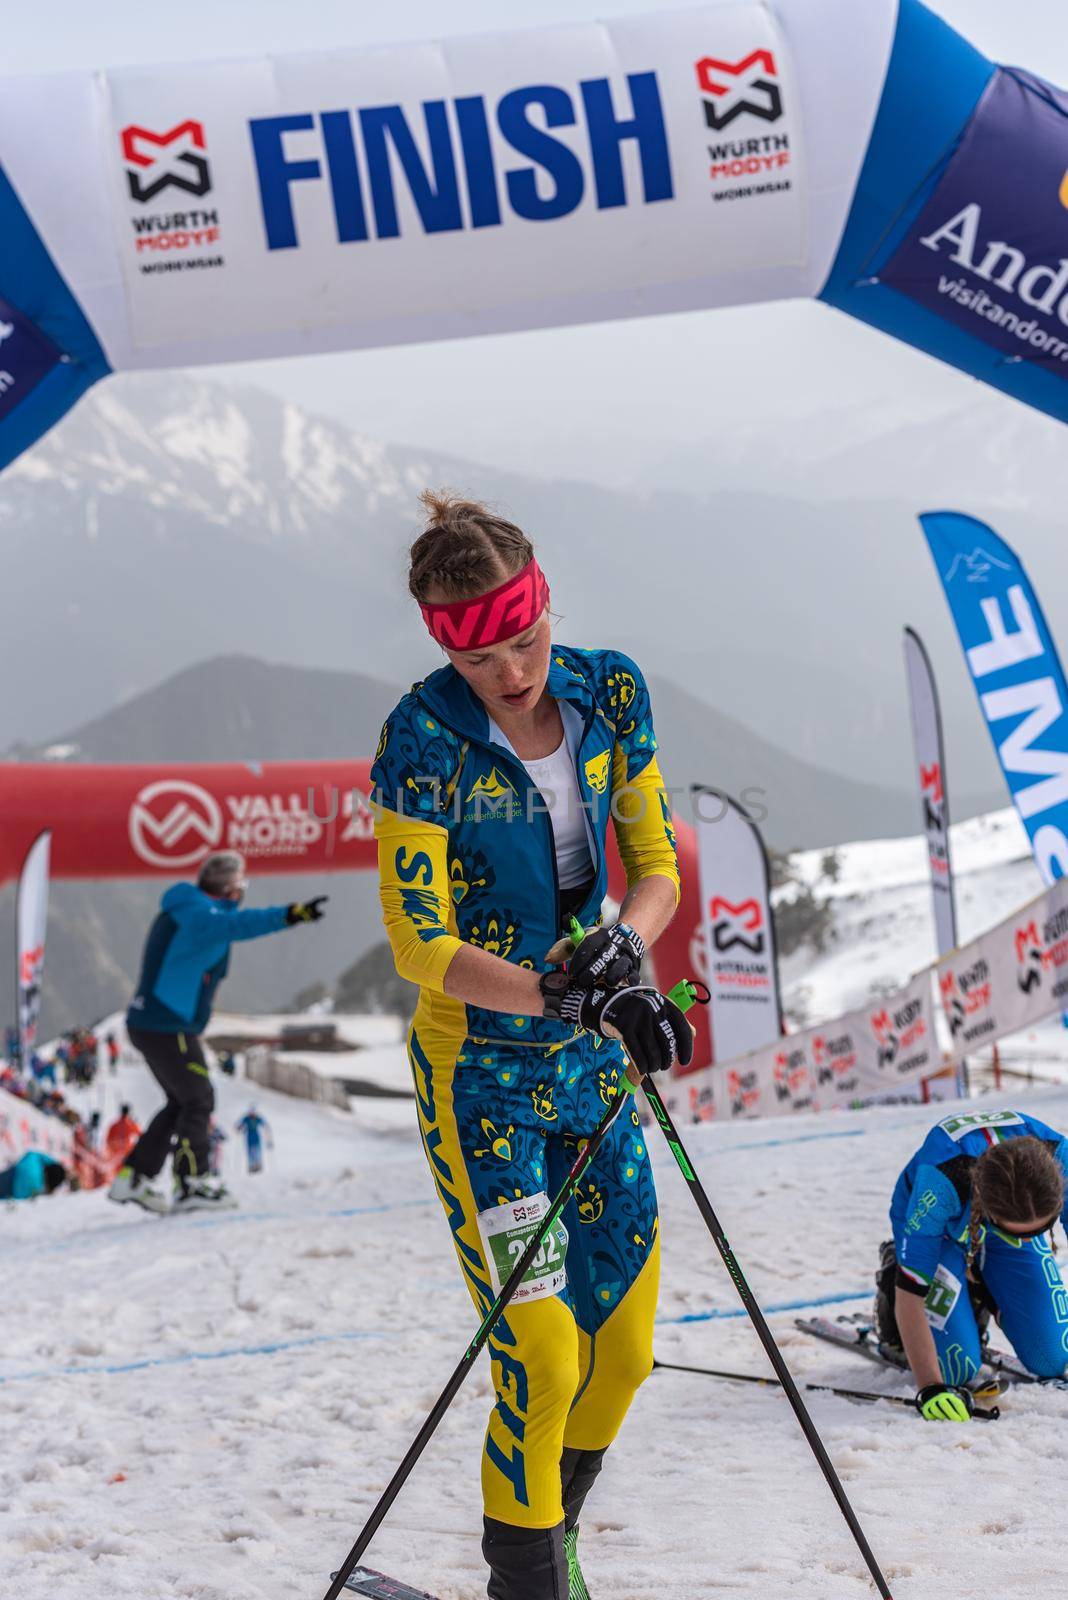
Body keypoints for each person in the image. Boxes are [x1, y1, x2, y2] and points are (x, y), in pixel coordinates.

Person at [371, 492, 692, 1600]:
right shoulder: (422, 735)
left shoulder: (610, 688)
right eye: (482, 657)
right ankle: (528, 1582)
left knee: (628, 1351)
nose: (512, 671)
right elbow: (420, 942)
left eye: (526, 638)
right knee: (544, 1358)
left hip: (590, 1066)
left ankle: (549, 1538)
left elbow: (654, 867)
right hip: (481, 1080)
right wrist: (565, 996)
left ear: (547, 605)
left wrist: (619, 960)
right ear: (443, 648)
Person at [109, 850, 327, 1215]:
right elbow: (241, 925)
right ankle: (192, 1182)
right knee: (198, 1100)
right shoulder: (201, 916)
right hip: (167, 1025)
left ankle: (134, 1178)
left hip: (155, 1023)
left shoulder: (190, 908)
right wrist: (292, 914)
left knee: (181, 1102)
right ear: (232, 890)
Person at [875, 1107, 1068, 1420]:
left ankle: (983, 1282)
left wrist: (1018, 1235)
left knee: (1052, 1356)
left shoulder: (1061, 1159)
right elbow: (911, 1296)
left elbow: (1022, 1225)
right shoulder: (939, 1185)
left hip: (1006, 1218)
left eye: (1040, 1230)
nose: (1029, 1235)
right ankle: (893, 1270)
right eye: (1017, 1231)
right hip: (942, 1233)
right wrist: (930, 1388)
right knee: (956, 1369)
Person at [235, 1105, 273, 1174]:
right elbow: (239, 1125)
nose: (252, 1114)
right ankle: (251, 1165)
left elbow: (265, 1124)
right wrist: (239, 1128)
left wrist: (268, 1135)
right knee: (250, 1151)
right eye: (251, 1112)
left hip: (256, 1136)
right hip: (249, 1136)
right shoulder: (246, 1118)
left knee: (257, 1150)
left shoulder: (258, 1118)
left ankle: (258, 1164)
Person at [104, 1103, 141, 1168]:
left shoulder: (114, 1125)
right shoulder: (131, 1124)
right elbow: (140, 1135)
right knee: (124, 1174)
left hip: (116, 1156)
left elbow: (108, 1141)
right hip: (126, 1156)